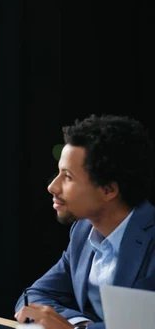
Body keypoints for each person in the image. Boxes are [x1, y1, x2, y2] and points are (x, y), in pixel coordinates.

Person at [14, 114, 155, 329]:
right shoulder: (82, 231)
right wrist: (79, 323)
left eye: (67, 176)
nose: (53, 186)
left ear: (108, 190)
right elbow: (34, 296)